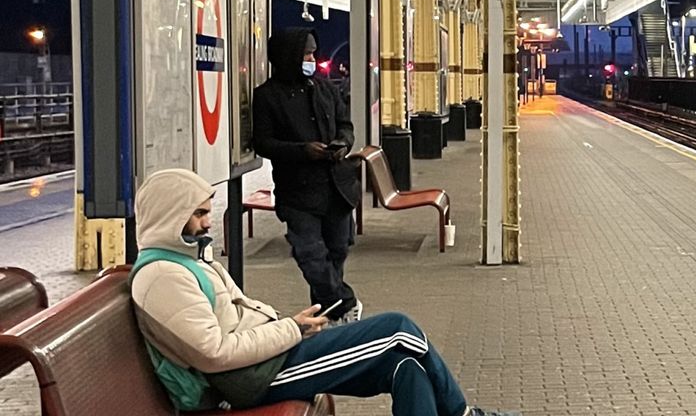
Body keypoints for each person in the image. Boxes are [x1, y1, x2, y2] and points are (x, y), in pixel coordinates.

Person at [129, 168, 515, 416]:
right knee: (398, 329)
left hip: (269, 358)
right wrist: (292, 329)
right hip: (253, 377)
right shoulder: (163, 276)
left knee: (404, 365)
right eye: (198, 214)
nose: (207, 221)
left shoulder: (186, 261)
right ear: (169, 217)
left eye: (207, 211)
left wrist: (290, 329)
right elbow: (214, 354)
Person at [252, 28, 362, 323]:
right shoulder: (267, 97)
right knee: (311, 257)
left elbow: (346, 125)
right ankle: (345, 304)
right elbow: (263, 142)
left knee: (337, 252)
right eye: (307, 54)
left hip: (336, 189)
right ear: (288, 56)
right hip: (298, 192)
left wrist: (342, 143)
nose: (312, 59)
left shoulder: (325, 88)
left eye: (314, 52)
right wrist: (303, 151)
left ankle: (327, 319)